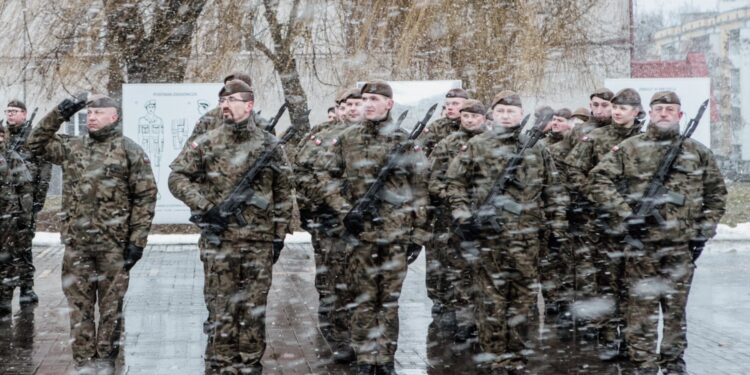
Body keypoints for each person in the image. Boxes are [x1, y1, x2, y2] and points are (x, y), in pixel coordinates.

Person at [588, 91, 726, 375]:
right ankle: (643, 364)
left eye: (670, 109)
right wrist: (626, 215)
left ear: (679, 115)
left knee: (675, 313)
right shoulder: (630, 148)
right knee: (641, 311)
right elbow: (598, 180)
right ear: (649, 114)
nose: (664, 113)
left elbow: (716, 195)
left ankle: (673, 363)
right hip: (642, 247)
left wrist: (704, 230)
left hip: (680, 247)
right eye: (659, 109)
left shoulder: (698, 153)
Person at [169, 79, 293, 375]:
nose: (225, 105)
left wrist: (278, 237)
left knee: (253, 307)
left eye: (232, 100)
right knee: (221, 305)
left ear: (248, 105)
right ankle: (223, 362)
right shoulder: (207, 142)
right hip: (219, 239)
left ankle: (250, 361)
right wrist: (206, 207)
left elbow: (285, 192)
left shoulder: (269, 144)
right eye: (222, 100)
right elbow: (177, 178)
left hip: (258, 241)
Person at [27, 94, 157, 374]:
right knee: (79, 307)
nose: (91, 117)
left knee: (111, 308)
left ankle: (106, 361)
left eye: (98, 113)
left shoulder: (128, 150)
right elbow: (34, 142)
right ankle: (84, 362)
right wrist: (60, 111)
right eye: (89, 113)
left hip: (114, 247)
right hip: (77, 246)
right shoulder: (72, 147)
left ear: (114, 116)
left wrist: (137, 242)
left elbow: (145, 197)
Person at [445, 91, 567, 374]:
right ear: (492, 115)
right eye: (501, 111)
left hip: (528, 240)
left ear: (521, 114)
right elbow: (455, 184)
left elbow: (555, 192)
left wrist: (558, 229)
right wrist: (464, 218)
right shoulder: (477, 145)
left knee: (523, 304)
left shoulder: (536, 149)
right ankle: (494, 358)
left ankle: (517, 358)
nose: (506, 116)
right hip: (489, 240)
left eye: (512, 111)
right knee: (491, 304)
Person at [321, 80, 430, 375]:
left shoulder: (405, 142)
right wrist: (346, 211)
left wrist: (417, 235)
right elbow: (327, 179)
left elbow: (421, 189)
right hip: (360, 234)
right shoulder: (346, 139)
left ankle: (385, 359)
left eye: (374, 99)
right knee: (363, 299)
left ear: (389, 104)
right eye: (365, 98)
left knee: (389, 302)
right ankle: (366, 359)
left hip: (396, 235)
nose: (368, 103)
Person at [564, 88, 646, 360]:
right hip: (602, 222)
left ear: (637, 111)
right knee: (606, 281)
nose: (618, 111)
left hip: (638, 222)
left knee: (634, 284)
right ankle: (609, 337)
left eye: (624, 107)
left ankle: (632, 339)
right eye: (615, 107)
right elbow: (573, 169)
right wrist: (596, 194)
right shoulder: (596, 138)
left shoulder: (646, 141)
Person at [293, 88, 361, 363]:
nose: (353, 109)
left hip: (366, 223)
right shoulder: (321, 137)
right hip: (330, 222)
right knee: (334, 280)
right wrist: (321, 202)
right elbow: (302, 173)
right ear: (339, 108)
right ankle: (339, 336)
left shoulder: (378, 137)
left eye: (359, 103)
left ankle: (363, 340)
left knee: (364, 282)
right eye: (348, 105)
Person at [426, 99, 488, 346]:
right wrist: (456, 198)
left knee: (486, 272)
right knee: (459, 272)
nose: (469, 120)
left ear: (484, 117)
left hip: (487, 219)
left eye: (474, 116)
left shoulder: (494, 143)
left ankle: (485, 323)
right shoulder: (447, 144)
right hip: (453, 220)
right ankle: (464, 322)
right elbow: (433, 180)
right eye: (465, 116)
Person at [3, 100, 51, 306]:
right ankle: (6, 289)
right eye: (8, 111)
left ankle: (27, 287)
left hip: (26, 200)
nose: (10, 115)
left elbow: (44, 172)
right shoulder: (4, 136)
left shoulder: (33, 137)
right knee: (6, 248)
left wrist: (36, 203)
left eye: (14, 111)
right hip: (5, 202)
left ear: (24, 114)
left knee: (24, 246)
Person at [0, 121, 34, 318]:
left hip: (7, 221)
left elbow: (25, 188)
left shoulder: (11, 157)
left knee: (6, 262)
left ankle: (4, 300)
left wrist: (24, 217)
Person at [419, 88, 469, 157]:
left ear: (466, 105)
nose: (449, 107)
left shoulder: (472, 126)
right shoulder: (435, 127)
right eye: (447, 104)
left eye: (455, 104)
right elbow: (419, 153)